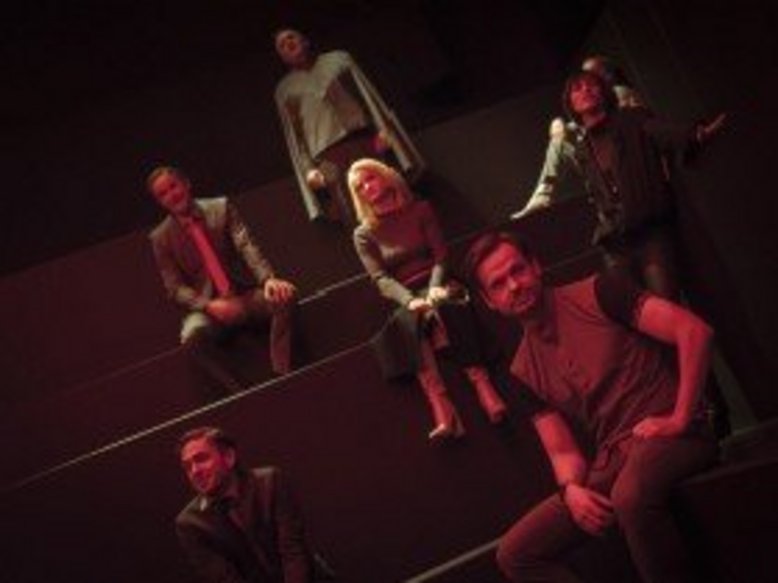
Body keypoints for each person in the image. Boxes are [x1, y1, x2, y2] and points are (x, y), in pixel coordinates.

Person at [464, 231, 719, 583]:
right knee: (516, 554)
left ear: (535, 266)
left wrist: (680, 418)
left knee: (629, 496)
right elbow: (563, 452)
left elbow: (693, 331)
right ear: (489, 300)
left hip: (675, 436)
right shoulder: (522, 369)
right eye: (498, 283)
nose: (514, 285)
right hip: (613, 459)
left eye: (517, 270)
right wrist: (570, 491)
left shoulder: (600, 291)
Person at [348, 158, 506, 441]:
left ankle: (483, 386)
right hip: (406, 295)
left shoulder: (420, 210)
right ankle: (441, 407)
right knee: (410, 323)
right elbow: (380, 279)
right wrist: (409, 300)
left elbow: (441, 256)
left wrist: (434, 288)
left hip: (439, 282)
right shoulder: (363, 233)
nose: (366, 187)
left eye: (370, 178)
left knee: (448, 306)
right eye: (359, 187)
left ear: (385, 176)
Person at [148, 166, 297, 390]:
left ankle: (282, 375)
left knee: (285, 296)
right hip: (207, 310)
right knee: (192, 339)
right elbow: (174, 288)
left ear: (186, 183)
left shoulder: (221, 207)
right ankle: (242, 393)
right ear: (160, 202)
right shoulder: (161, 238)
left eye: (173, 186)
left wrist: (268, 279)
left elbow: (246, 245)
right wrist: (208, 305)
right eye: (163, 194)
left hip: (242, 297)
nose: (172, 195)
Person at [274, 28, 425, 227]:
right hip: (327, 154)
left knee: (389, 192)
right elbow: (296, 135)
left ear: (305, 40)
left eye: (291, 37)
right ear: (282, 57)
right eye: (282, 45)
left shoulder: (339, 60)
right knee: (354, 210)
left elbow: (366, 95)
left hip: (362, 138)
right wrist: (308, 168)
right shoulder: (285, 89)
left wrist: (382, 129)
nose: (288, 43)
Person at [512, 55, 647, 221]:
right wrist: (561, 126)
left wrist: (564, 126)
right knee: (559, 144)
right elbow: (591, 125)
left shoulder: (620, 92)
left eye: (591, 77)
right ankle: (543, 193)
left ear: (607, 76)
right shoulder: (593, 104)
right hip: (601, 162)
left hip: (624, 157)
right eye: (581, 80)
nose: (585, 84)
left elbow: (606, 123)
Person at [175, 426, 316, 583]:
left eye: (201, 459)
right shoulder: (190, 522)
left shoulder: (270, 482)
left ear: (229, 457)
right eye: (187, 466)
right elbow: (224, 578)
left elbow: (293, 552)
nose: (194, 471)